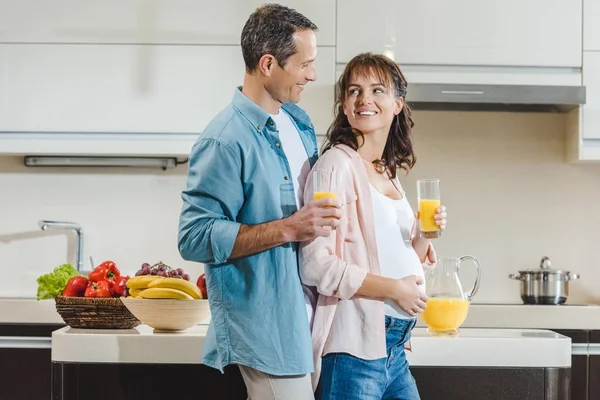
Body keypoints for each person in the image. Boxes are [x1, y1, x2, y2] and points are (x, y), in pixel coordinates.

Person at [177, 4, 341, 400]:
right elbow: (194, 236)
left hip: (309, 320)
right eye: (305, 64)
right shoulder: (224, 140)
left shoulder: (297, 121)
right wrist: (289, 227)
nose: (313, 74)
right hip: (266, 327)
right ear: (268, 64)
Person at [299, 53, 448, 400]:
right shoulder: (335, 166)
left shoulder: (388, 171)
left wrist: (424, 237)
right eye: (354, 91)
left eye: (377, 90)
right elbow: (316, 265)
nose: (364, 99)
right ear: (344, 106)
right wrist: (394, 290)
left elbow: (396, 255)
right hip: (353, 350)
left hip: (394, 349)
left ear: (397, 103)